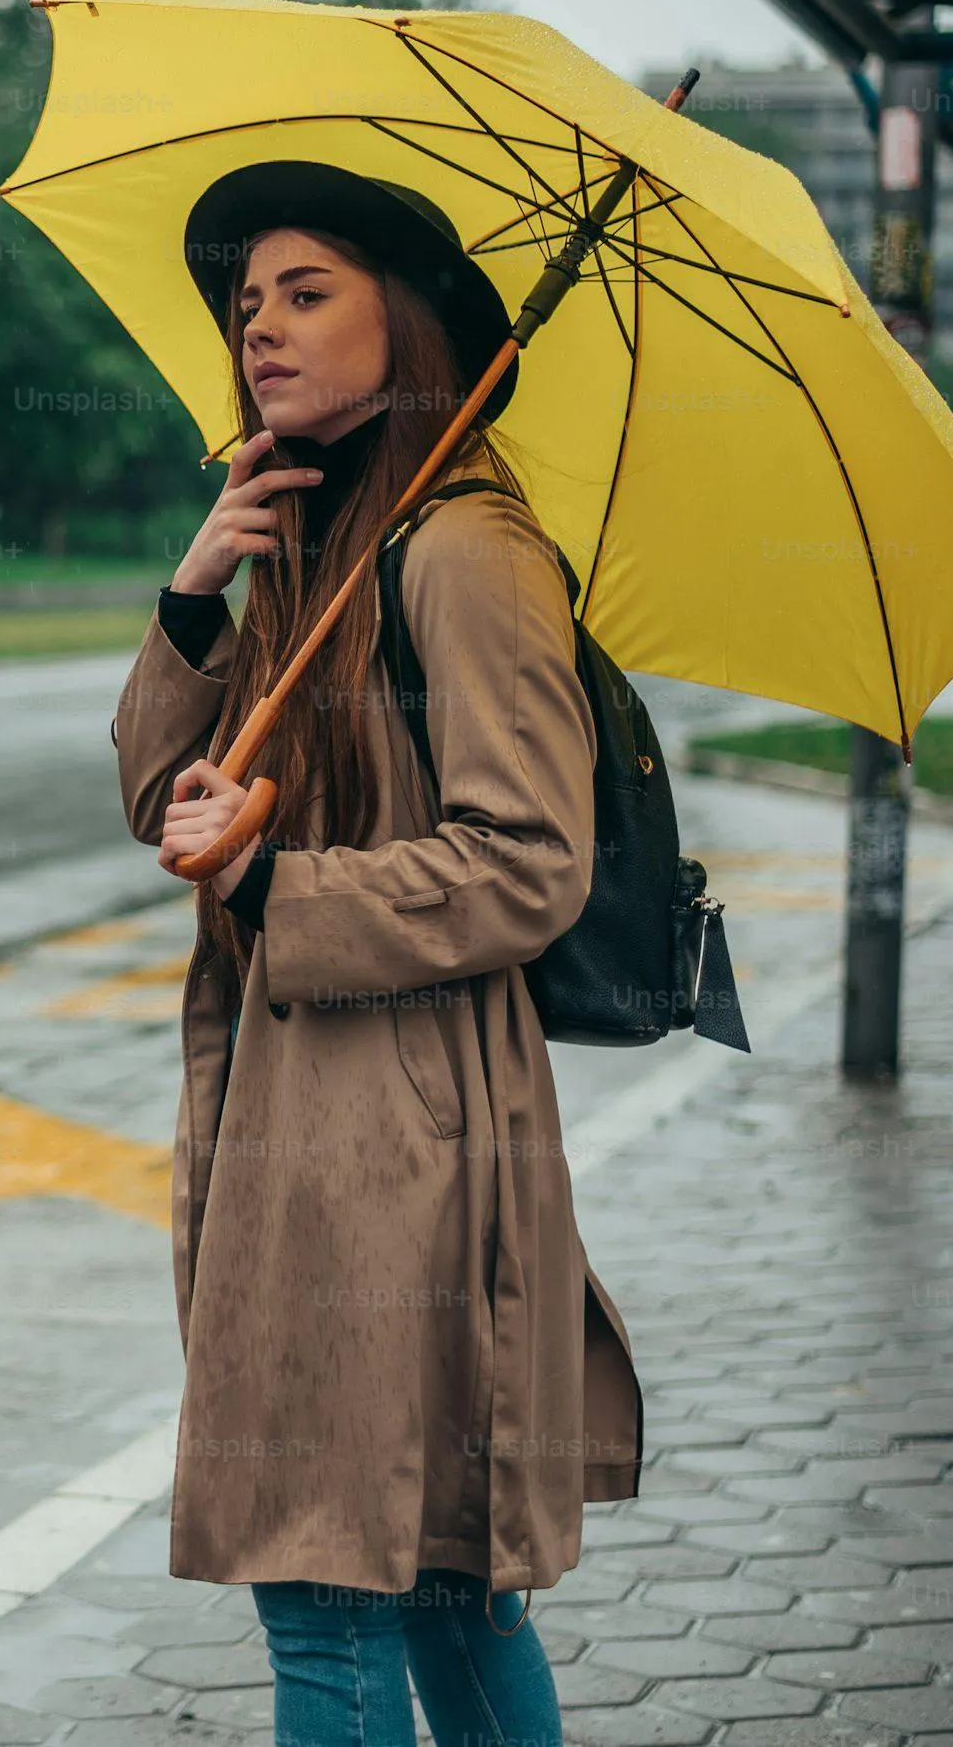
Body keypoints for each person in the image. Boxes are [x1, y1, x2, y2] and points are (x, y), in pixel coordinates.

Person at [110, 161, 645, 1747]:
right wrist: (199, 592)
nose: (258, 326)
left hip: (397, 1141)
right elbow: (160, 801)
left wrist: (279, 880)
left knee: (326, 1602)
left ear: (405, 325)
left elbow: (534, 859)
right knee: (441, 1601)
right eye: (244, 303)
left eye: (305, 290)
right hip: (311, 1121)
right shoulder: (313, 549)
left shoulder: (464, 552)